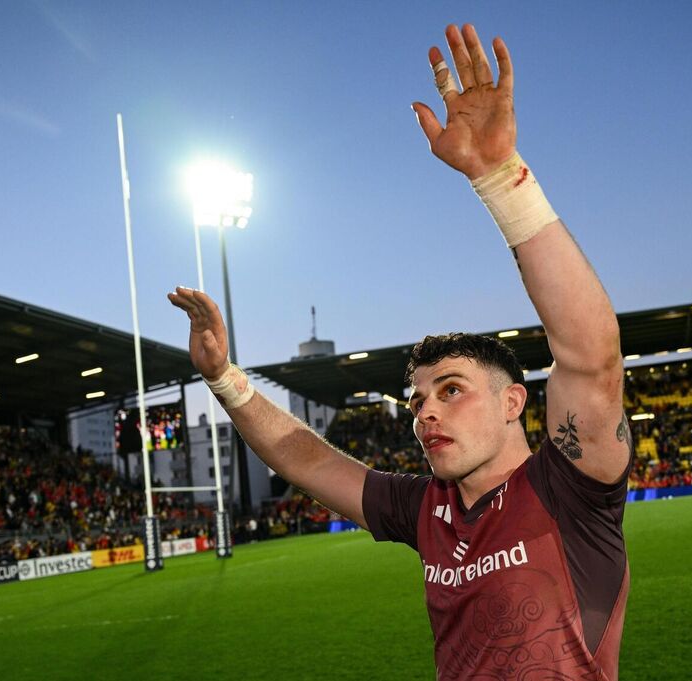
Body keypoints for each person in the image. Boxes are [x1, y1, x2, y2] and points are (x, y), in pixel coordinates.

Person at [169, 23, 632, 680]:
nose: (424, 413)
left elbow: (590, 353)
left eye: (450, 389)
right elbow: (307, 459)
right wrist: (223, 378)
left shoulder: (571, 487)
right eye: (417, 399)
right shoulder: (425, 508)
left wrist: (502, 178)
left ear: (512, 401)